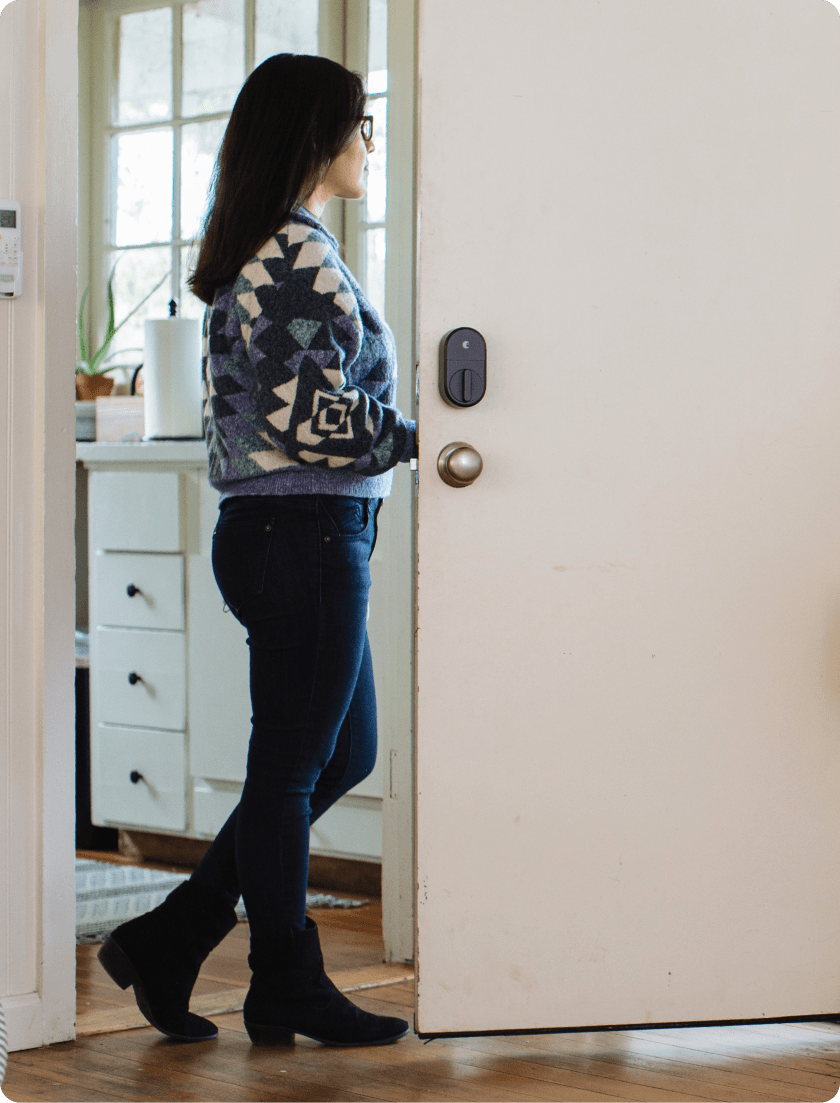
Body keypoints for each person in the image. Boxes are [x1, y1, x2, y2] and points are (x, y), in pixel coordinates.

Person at [97, 53, 416, 1049]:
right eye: (359, 126)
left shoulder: (284, 245)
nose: (369, 144)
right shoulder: (292, 254)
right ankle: (284, 977)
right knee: (288, 770)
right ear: (316, 134)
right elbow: (312, 414)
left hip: (300, 531)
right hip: (305, 530)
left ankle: (174, 932)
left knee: (338, 752)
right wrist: (422, 435)